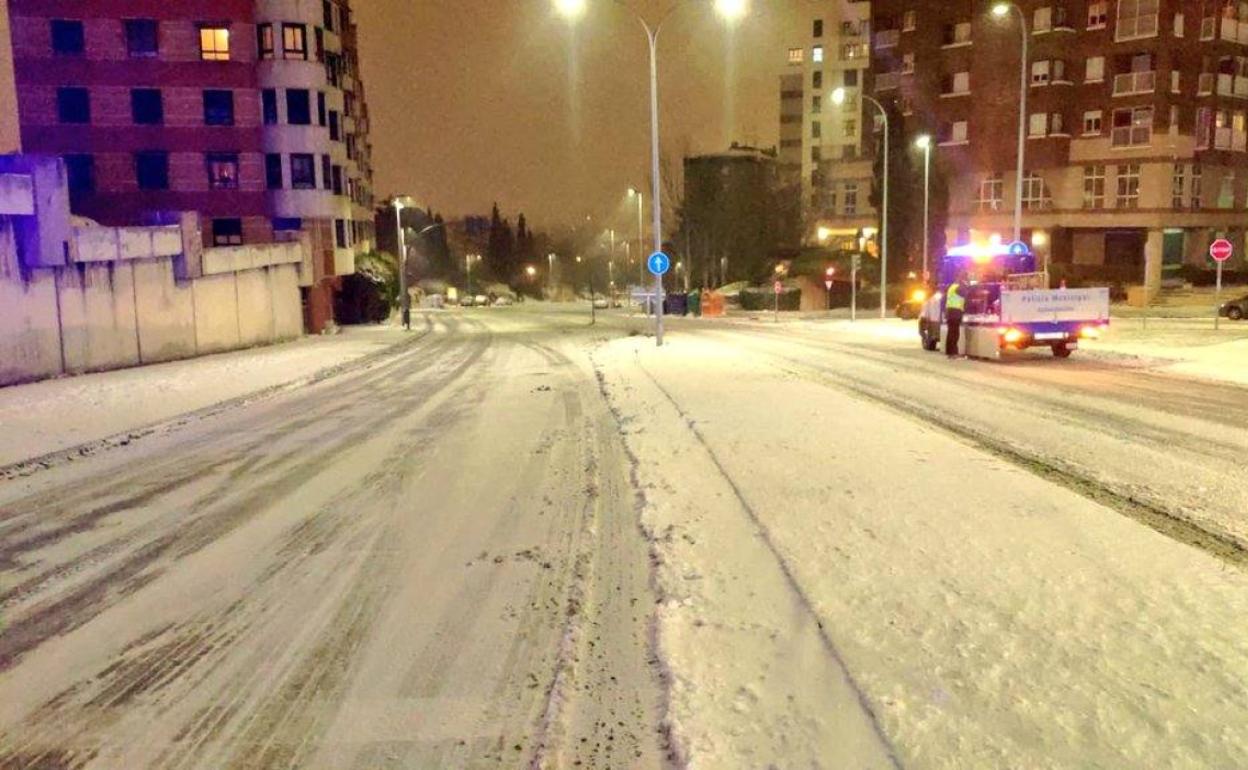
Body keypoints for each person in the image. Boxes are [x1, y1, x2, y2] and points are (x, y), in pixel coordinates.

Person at [945, 275, 966, 357]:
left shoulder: (952, 287)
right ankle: (953, 352)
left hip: (950, 312)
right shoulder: (958, 288)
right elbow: (965, 294)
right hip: (955, 312)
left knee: (951, 332)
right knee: (955, 333)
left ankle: (949, 352)